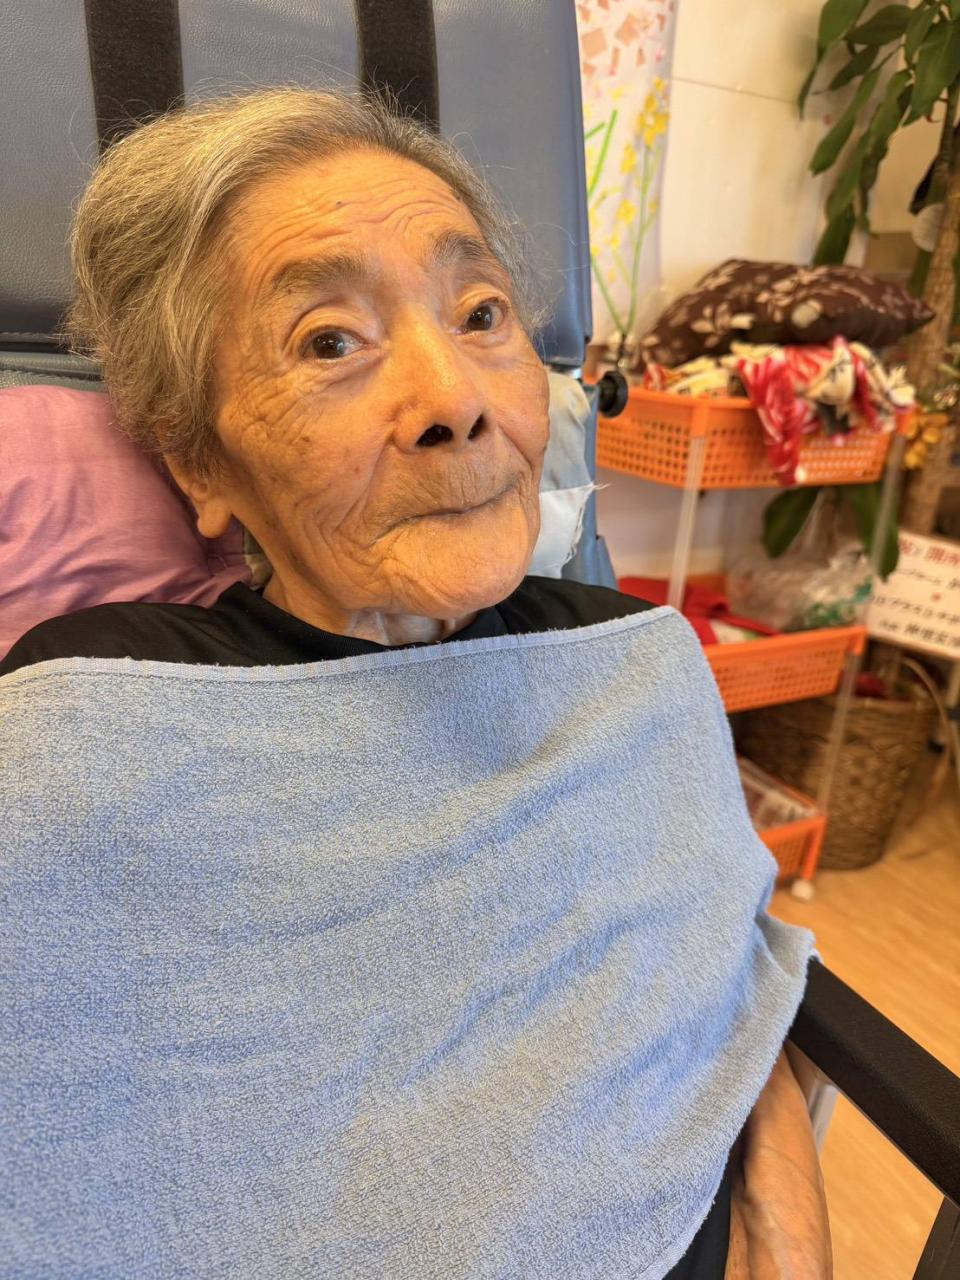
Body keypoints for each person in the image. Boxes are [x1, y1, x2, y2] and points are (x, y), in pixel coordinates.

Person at [0, 87, 831, 1278]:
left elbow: (726, 987)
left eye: (481, 312)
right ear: (199, 460)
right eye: (329, 341)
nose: (456, 399)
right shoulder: (95, 713)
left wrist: (792, 1227)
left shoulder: (634, 663)